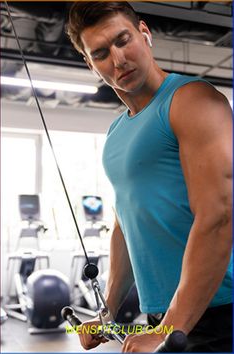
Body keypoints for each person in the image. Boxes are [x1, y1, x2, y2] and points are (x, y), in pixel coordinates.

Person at [66, 2, 233, 352]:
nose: (118, 59)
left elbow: (220, 215)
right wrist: (107, 309)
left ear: (145, 33)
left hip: (219, 317)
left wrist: (171, 327)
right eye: (101, 53)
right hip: (167, 316)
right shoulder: (116, 132)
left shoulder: (193, 101)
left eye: (123, 40)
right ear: (90, 64)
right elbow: (126, 223)